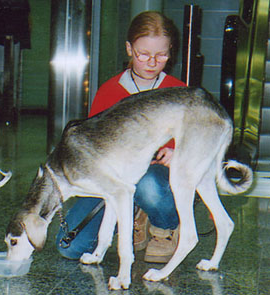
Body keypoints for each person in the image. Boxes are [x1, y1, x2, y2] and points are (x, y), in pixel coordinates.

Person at [56, 11, 187, 263]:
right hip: (114, 179)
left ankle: (165, 226)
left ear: (171, 50)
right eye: (143, 54)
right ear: (129, 49)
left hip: (158, 177)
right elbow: (92, 148)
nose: (152, 62)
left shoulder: (178, 90)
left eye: (162, 55)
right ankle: (133, 215)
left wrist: (177, 152)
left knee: (148, 184)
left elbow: (195, 141)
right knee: (69, 247)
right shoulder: (109, 91)